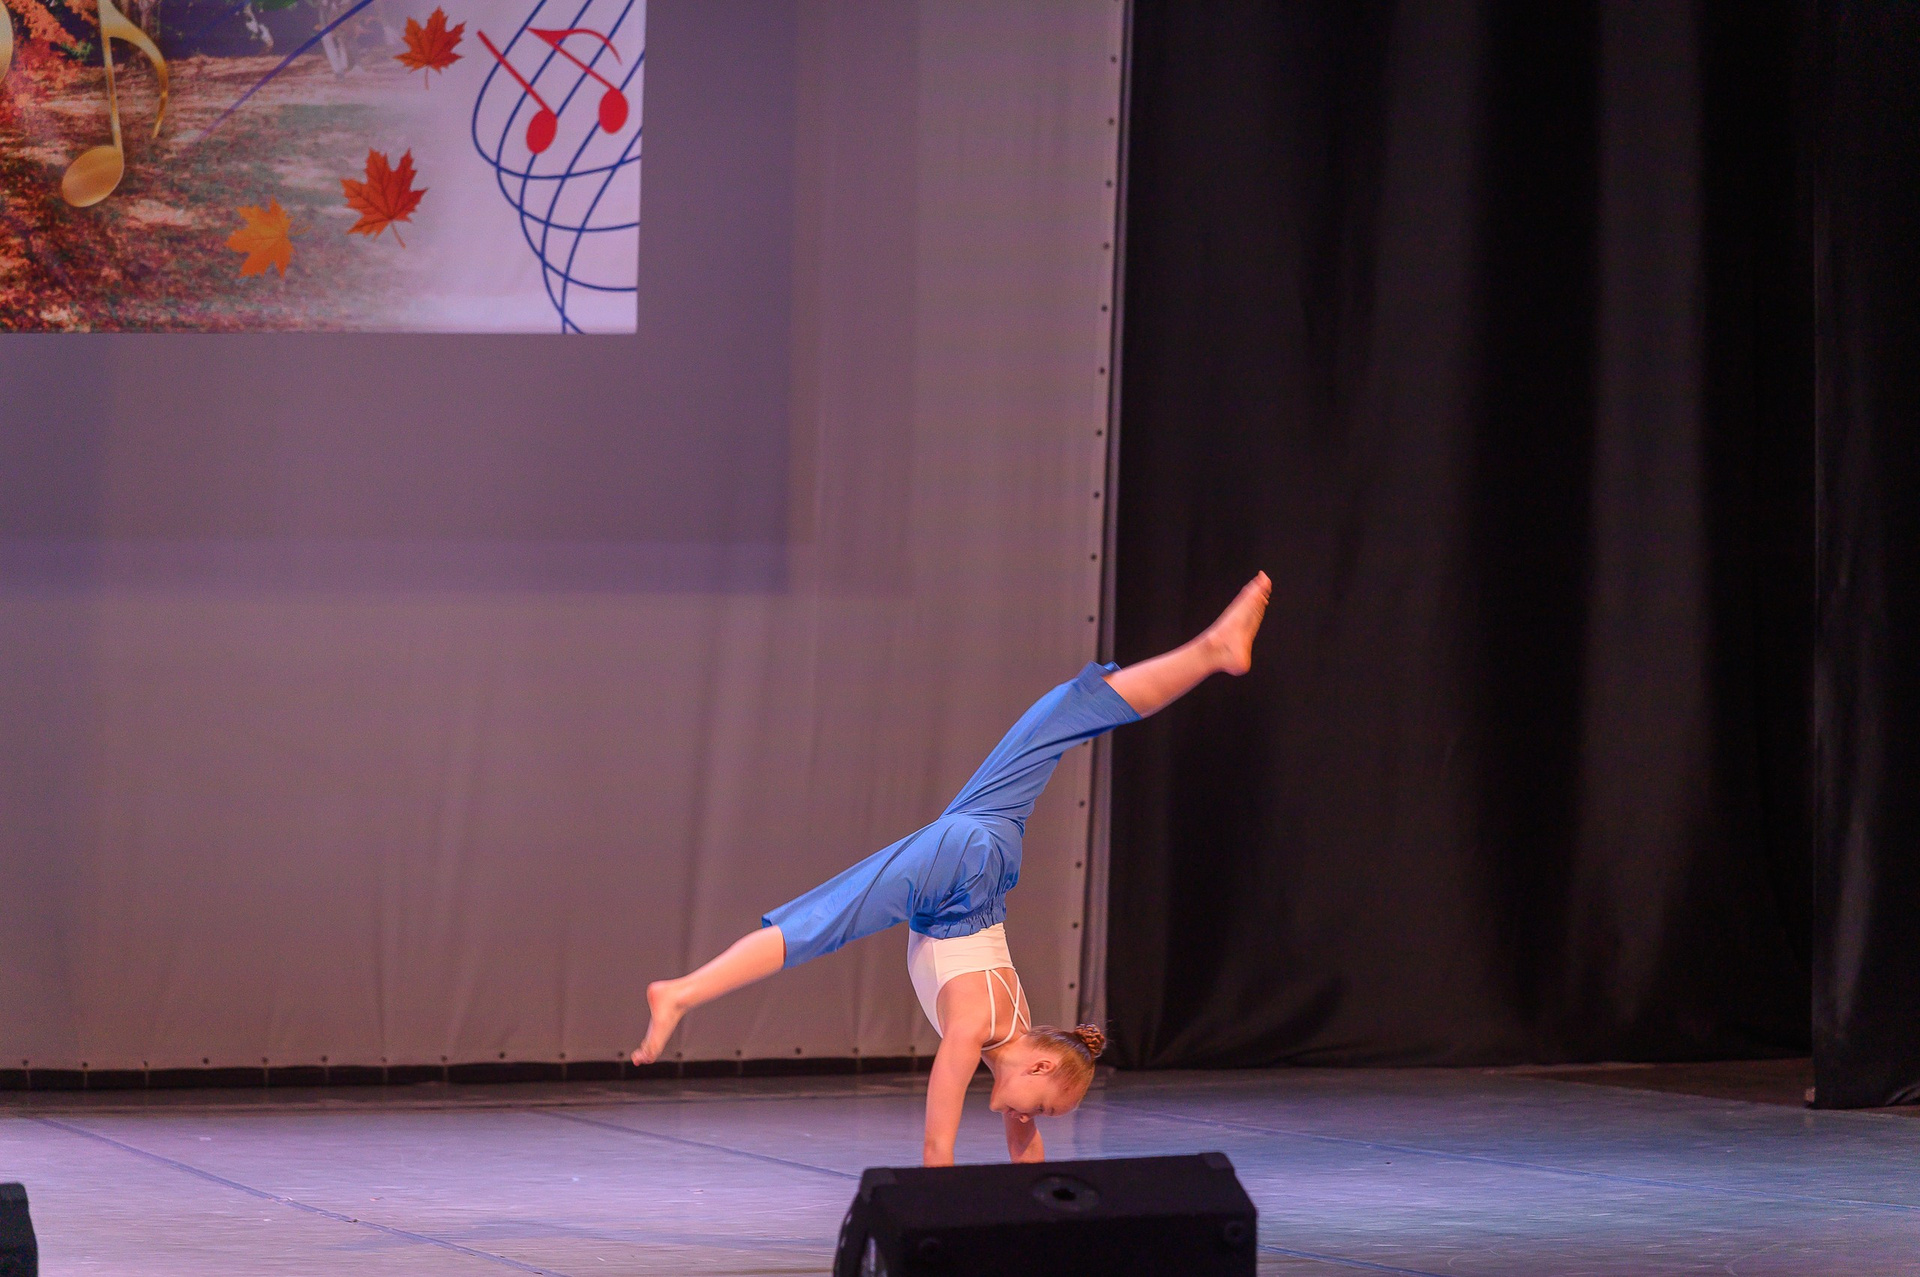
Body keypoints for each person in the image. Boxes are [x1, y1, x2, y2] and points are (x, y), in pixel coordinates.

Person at [632, 572, 1271, 1165]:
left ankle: (1212, 650)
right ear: (1042, 1068)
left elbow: (1025, 1147)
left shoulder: (1016, 1040)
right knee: (826, 919)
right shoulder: (976, 1028)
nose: (1033, 1117)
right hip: (962, 875)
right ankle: (681, 992)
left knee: (1062, 715)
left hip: (981, 861)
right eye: (1045, 1107)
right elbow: (937, 1146)